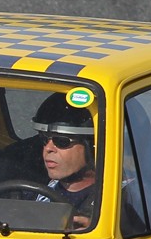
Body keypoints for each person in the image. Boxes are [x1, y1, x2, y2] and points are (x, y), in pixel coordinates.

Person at [27, 92, 99, 229]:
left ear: (92, 147)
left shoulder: (121, 200)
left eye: (62, 141)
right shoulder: (34, 189)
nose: (48, 148)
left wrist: (94, 230)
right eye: (44, 139)